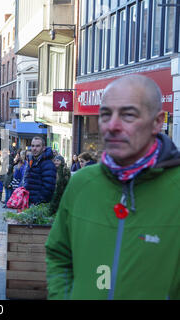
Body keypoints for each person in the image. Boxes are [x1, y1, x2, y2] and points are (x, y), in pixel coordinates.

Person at [46, 75, 180, 299]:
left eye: (128, 115)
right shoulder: (81, 183)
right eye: (106, 114)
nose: (113, 126)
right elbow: (59, 255)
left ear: (158, 122)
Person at [23, 137, 57, 205]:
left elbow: (48, 188)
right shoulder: (32, 161)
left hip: (38, 204)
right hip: (28, 202)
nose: (34, 148)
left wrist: (38, 202)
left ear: (44, 148)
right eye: (32, 146)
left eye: (38, 146)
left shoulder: (48, 164)